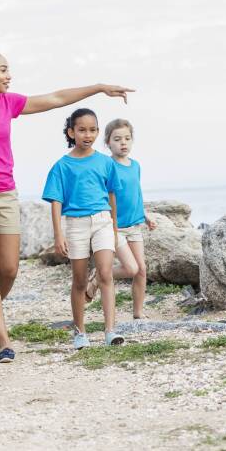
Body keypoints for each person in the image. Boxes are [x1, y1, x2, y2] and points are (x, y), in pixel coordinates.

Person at [0, 38, 134, 363]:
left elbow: (54, 98)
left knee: (9, 269)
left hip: (5, 192)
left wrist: (97, 87)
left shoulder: (7, 103)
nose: (9, 75)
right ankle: (5, 341)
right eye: (3, 69)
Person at [43, 109, 124, 348]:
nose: (87, 135)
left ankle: (111, 331)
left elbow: (111, 196)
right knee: (79, 281)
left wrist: (115, 227)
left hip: (102, 222)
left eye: (92, 130)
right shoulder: (62, 166)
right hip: (75, 224)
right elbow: (56, 202)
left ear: (98, 132)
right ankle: (80, 333)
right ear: (71, 132)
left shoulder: (106, 162)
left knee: (106, 274)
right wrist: (58, 234)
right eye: (82, 130)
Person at [89, 118, 156, 319]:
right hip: (114, 227)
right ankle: (97, 276)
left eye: (127, 138)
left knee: (141, 270)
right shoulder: (107, 165)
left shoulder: (135, 166)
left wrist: (145, 215)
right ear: (108, 142)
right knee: (130, 268)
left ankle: (138, 312)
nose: (123, 143)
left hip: (135, 226)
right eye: (117, 139)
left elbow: (135, 193)